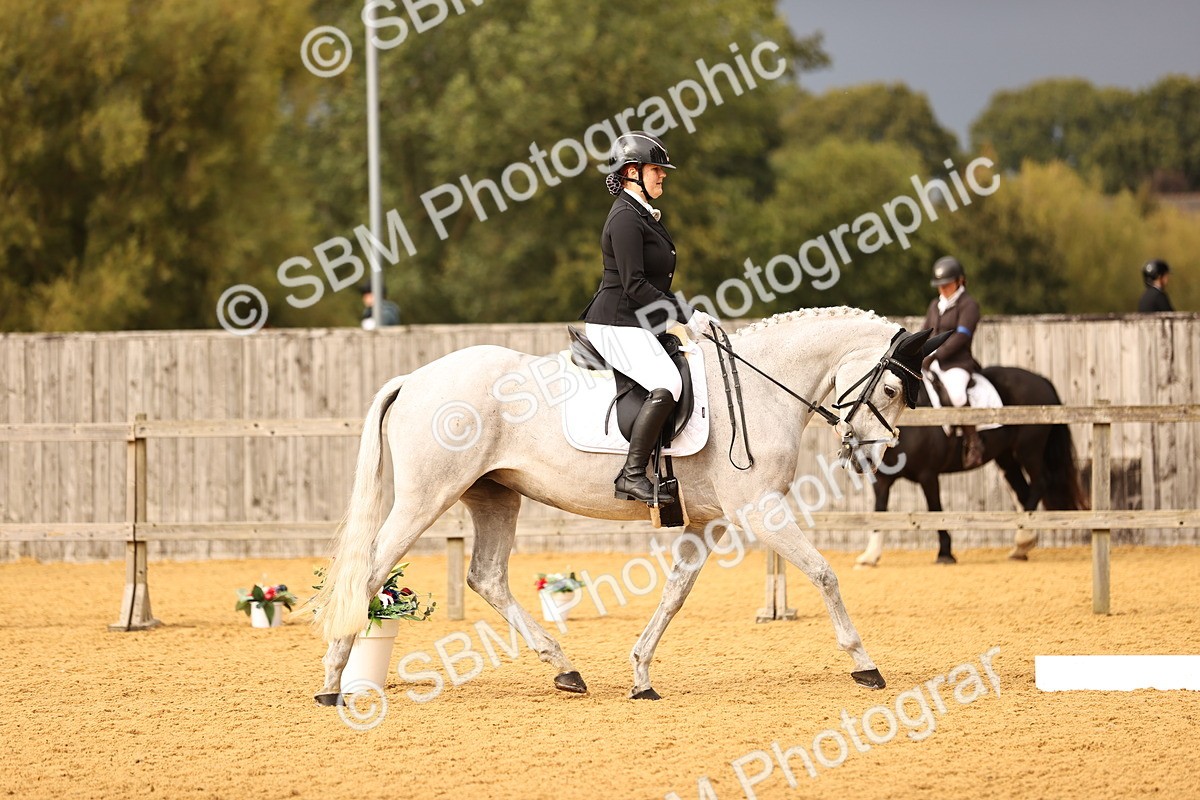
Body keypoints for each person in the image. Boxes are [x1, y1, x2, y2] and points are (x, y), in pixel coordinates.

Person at [578, 132, 714, 505]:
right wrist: (685, 314)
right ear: (632, 171)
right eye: (657, 169)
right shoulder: (625, 218)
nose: (663, 176)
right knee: (667, 383)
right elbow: (635, 285)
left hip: (635, 321)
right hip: (615, 322)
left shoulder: (641, 214)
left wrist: (686, 313)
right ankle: (631, 475)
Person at [920, 256, 984, 469]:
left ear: (959, 281)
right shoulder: (934, 305)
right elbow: (925, 332)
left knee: (957, 396)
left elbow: (961, 336)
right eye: (940, 286)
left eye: (947, 285)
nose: (943, 289)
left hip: (958, 363)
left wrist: (936, 355)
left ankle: (974, 443)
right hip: (933, 362)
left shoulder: (969, 305)